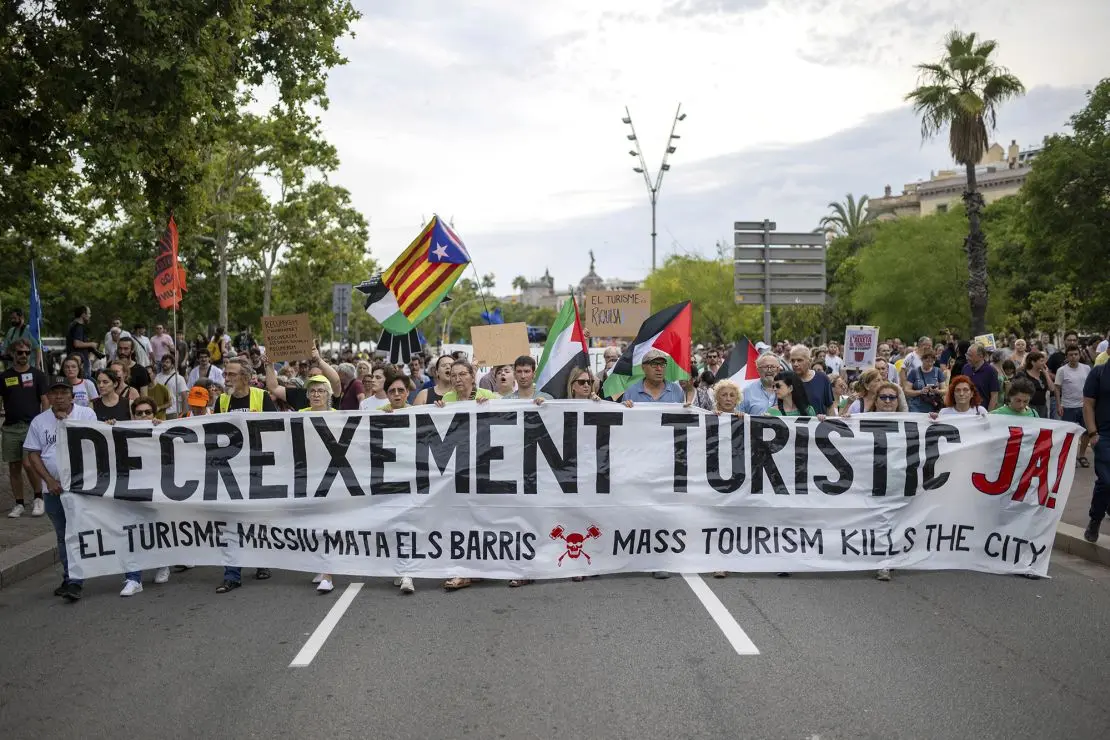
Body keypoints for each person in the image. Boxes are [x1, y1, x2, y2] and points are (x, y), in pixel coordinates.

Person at [24, 381, 99, 600]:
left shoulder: (86, 415)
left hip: (82, 487)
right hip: (54, 489)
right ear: (47, 397)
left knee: (83, 530)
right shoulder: (39, 422)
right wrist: (48, 479)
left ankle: (80, 576)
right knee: (63, 534)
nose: (59, 397)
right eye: (54, 393)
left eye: (64, 393)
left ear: (72, 396)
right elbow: (33, 455)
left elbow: (96, 446)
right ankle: (71, 578)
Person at [215, 359, 277, 592]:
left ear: (245, 377)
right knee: (232, 521)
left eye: (231, 374)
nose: (227, 378)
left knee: (257, 519)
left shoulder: (261, 397)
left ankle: (261, 561)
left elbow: (275, 428)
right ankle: (232, 574)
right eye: (225, 374)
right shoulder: (222, 401)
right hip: (231, 471)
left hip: (257, 468)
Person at [116, 397, 172, 596]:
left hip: (157, 490)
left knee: (157, 530)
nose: (144, 416)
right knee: (131, 533)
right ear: (133, 415)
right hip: (131, 490)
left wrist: (164, 427)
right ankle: (133, 578)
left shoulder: (162, 429)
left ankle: (163, 564)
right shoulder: (122, 431)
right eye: (139, 413)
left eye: (148, 412)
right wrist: (109, 428)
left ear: (154, 414)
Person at [297, 375, 339, 593]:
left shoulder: (338, 416)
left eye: (321, 391)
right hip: (307, 479)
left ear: (328, 395)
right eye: (312, 391)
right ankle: (321, 565)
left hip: (331, 478)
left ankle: (328, 574)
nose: (316, 395)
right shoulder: (299, 416)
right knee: (313, 526)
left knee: (327, 526)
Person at [1, 338, 49, 517]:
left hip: (31, 426)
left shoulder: (37, 374)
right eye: (19, 352)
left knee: (30, 465)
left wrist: (45, 422)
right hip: (10, 427)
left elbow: (45, 400)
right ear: (12, 353)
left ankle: (38, 498)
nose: (23, 356)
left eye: (27, 352)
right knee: (14, 467)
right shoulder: (4, 376)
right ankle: (19, 503)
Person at [1082, 360, 1110, 542]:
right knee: (1106, 481)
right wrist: (1093, 433)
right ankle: (1095, 519)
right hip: (1105, 435)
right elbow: (1088, 405)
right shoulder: (1098, 373)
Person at [264, 348, 341, 409]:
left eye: (320, 391)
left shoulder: (332, 395)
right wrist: (269, 364)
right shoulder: (300, 395)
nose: (316, 394)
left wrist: (318, 360)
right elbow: (273, 387)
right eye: (310, 376)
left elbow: (336, 381)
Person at [1056, 345, 1093, 467]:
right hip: (1068, 406)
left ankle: (1082, 455)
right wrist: (1059, 404)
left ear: (1079, 355)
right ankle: (1069, 457)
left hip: (1084, 406)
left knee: (1087, 432)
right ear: (1067, 356)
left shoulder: (1086, 368)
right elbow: (1057, 388)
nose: (1073, 357)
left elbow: (1091, 386)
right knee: (1069, 434)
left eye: (1076, 354)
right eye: (1071, 354)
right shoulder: (1062, 370)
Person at [621, 350, 685, 406]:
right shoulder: (631, 392)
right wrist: (624, 407)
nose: (659, 369)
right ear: (643, 367)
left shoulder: (676, 390)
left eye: (662, 364)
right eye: (654, 364)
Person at [789, 345, 835, 415]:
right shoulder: (787, 380)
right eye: (792, 361)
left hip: (819, 425)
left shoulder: (822, 378)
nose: (795, 364)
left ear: (809, 361)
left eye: (799, 360)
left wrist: (831, 424)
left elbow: (830, 407)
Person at [904, 349, 946, 413]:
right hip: (916, 407)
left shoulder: (938, 371)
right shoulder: (914, 372)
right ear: (922, 360)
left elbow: (945, 390)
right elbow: (906, 391)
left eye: (932, 361)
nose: (930, 364)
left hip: (933, 407)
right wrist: (920, 391)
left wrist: (937, 391)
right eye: (927, 361)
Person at [1015, 351, 1054, 419]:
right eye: (1041, 361)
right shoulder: (1023, 374)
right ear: (1033, 362)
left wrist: (1046, 373)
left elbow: (1052, 388)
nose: (1044, 363)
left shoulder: (1043, 374)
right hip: (1028, 406)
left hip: (1042, 406)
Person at [962, 344, 1000, 411]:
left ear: (981, 356)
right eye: (967, 354)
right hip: (966, 411)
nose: (967, 357)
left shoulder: (991, 371)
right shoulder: (965, 368)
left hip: (982, 411)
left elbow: (994, 396)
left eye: (970, 355)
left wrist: (989, 415)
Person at [65, 305, 98, 377]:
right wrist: (91, 344)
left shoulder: (72, 325)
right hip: (80, 361)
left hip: (73, 359)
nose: (90, 316)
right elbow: (77, 343)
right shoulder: (78, 327)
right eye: (89, 313)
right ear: (83, 314)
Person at [154, 353, 188, 419]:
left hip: (174, 411)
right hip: (159, 411)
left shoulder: (179, 378)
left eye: (167, 362)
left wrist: (184, 413)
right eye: (163, 362)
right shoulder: (156, 377)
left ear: (172, 365)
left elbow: (184, 397)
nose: (164, 364)